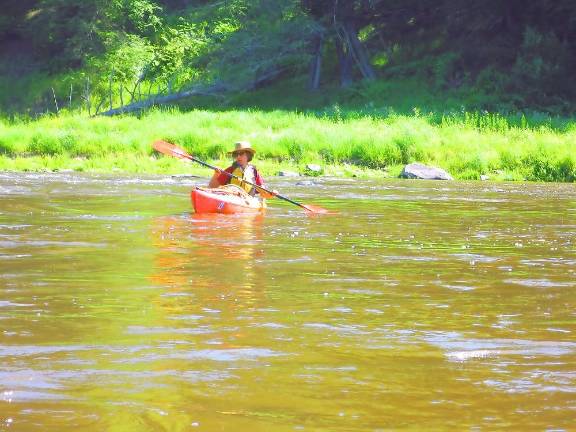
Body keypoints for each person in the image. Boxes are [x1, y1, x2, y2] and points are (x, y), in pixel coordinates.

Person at [208, 141, 277, 199]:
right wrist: (216, 174)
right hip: (231, 198)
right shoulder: (230, 170)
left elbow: (263, 193)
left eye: (241, 154)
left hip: (247, 201)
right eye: (236, 154)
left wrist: (271, 194)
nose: (238, 156)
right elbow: (211, 188)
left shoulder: (254, 172)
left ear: (248, 155)